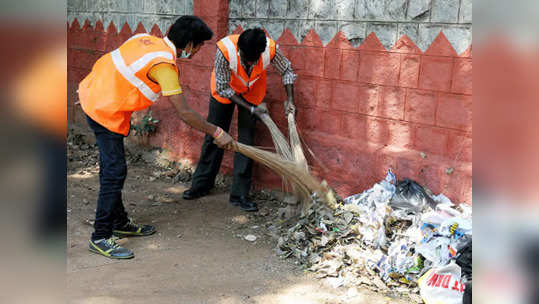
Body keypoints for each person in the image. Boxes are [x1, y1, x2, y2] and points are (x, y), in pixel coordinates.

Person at [78, 16, 234, 259]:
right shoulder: (164, 66)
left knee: (113, 169)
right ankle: (100, 236)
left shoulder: (146, 40)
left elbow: (113, 65)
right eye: (200, 45)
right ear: (190, 44)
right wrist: (216, 131)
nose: (200, 50)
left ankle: (119, 222)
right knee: (114, 172)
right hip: (104, 111)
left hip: (95, 96)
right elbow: (184, 112)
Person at [183, 28, 297, 212]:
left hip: (252, 92)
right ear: (239, 50)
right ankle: (201, 185)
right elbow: (223, 87)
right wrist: (252, 109)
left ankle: (239, 195)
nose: (250, 62)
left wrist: (290, 99)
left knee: (246, 142)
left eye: (254, 59)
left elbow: (287, 71)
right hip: (224, 92)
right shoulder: (225, 49)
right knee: (215, 136)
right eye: (246, 58)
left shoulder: (271, 49)